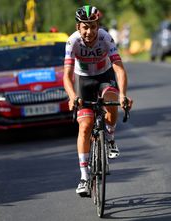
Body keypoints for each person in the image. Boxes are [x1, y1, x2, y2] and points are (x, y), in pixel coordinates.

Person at [63, 5, 133, 196]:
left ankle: (110, 137)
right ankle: (85, 177)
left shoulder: (105, 38)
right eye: (85, 27)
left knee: (111, 98)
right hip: (82, 80)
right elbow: (67, 75)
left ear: (98, 26)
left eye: (93, 26)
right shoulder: (72, 42)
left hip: (104, 75)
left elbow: (119, 68)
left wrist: (123, 94)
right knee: (85, 126)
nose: (89, 31)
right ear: (78, 27)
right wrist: (72, 97)